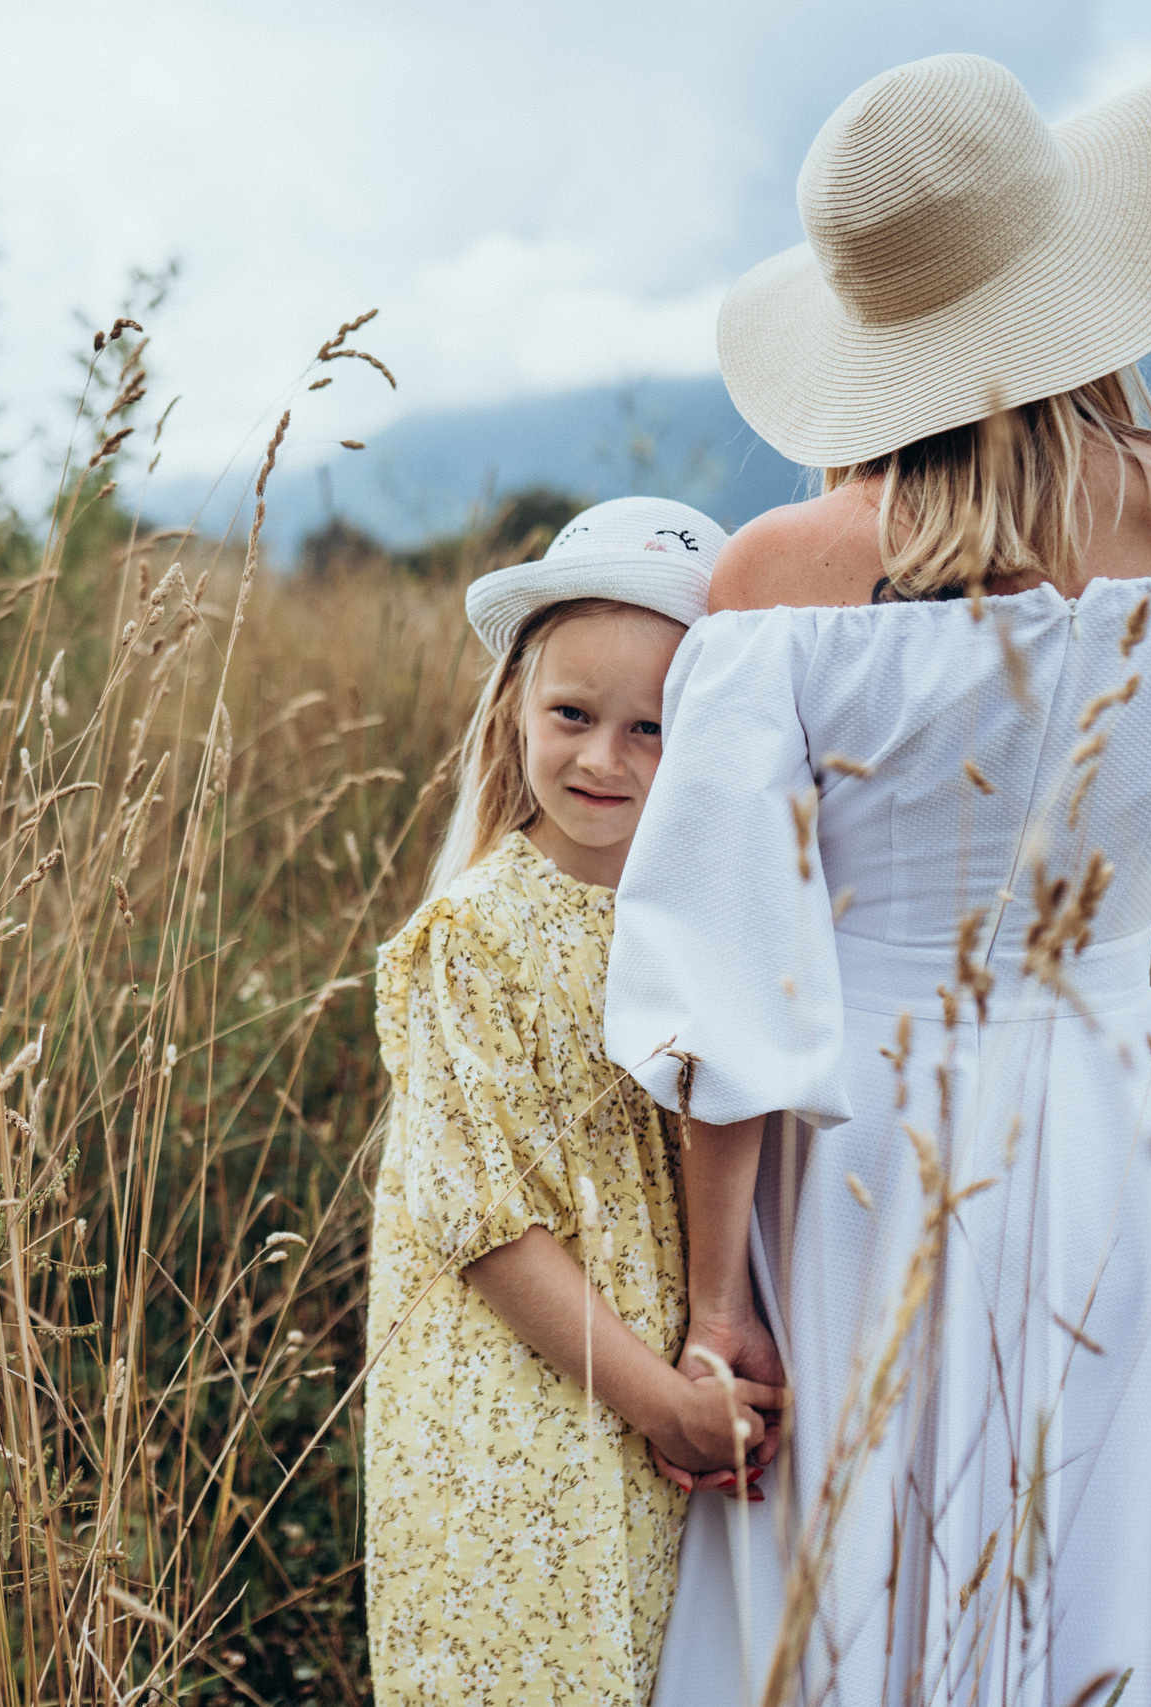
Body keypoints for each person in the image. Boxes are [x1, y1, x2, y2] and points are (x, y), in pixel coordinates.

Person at [605, 55, 1151, 1706]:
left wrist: (719, 1304)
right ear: (1075, 272)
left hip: (875, 1152)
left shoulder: (786, 574)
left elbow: (730, 965)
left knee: (864, 1582)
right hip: (1139, 1127)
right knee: (1127, 1573)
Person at [364, 498, 785, 1706]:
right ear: (513, 709)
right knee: (531, 1664)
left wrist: (701, 1358)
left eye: (652, 728)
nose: (604, 759)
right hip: (515, 1401)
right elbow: (483, 1225)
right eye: (573, 716)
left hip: (660, 1379)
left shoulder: (704, 920)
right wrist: (665, 1403)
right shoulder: (476, 938)